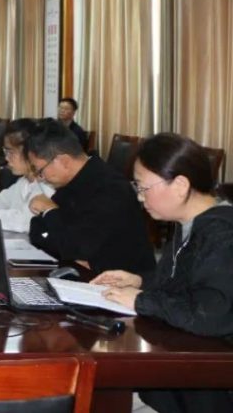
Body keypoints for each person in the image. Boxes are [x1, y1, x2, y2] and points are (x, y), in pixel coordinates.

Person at [92, 133, 233, 413]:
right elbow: (185, 281)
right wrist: (141, 281)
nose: (140, 196)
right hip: (185, 365)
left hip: (210, 383)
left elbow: (210, 315)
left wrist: (140, 300)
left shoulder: (222, 234)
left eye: (144, 187)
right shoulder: (189, 222)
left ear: (180, 185)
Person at [25, 119, 155, 275]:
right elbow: (38, 231)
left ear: (63, 161)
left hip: (124, 283)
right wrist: (66, 247)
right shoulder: (72, 183)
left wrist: (50, 210)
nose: (41, 178)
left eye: (40, 170)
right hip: (83, 274)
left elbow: (77, 247)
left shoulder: (110, 188)